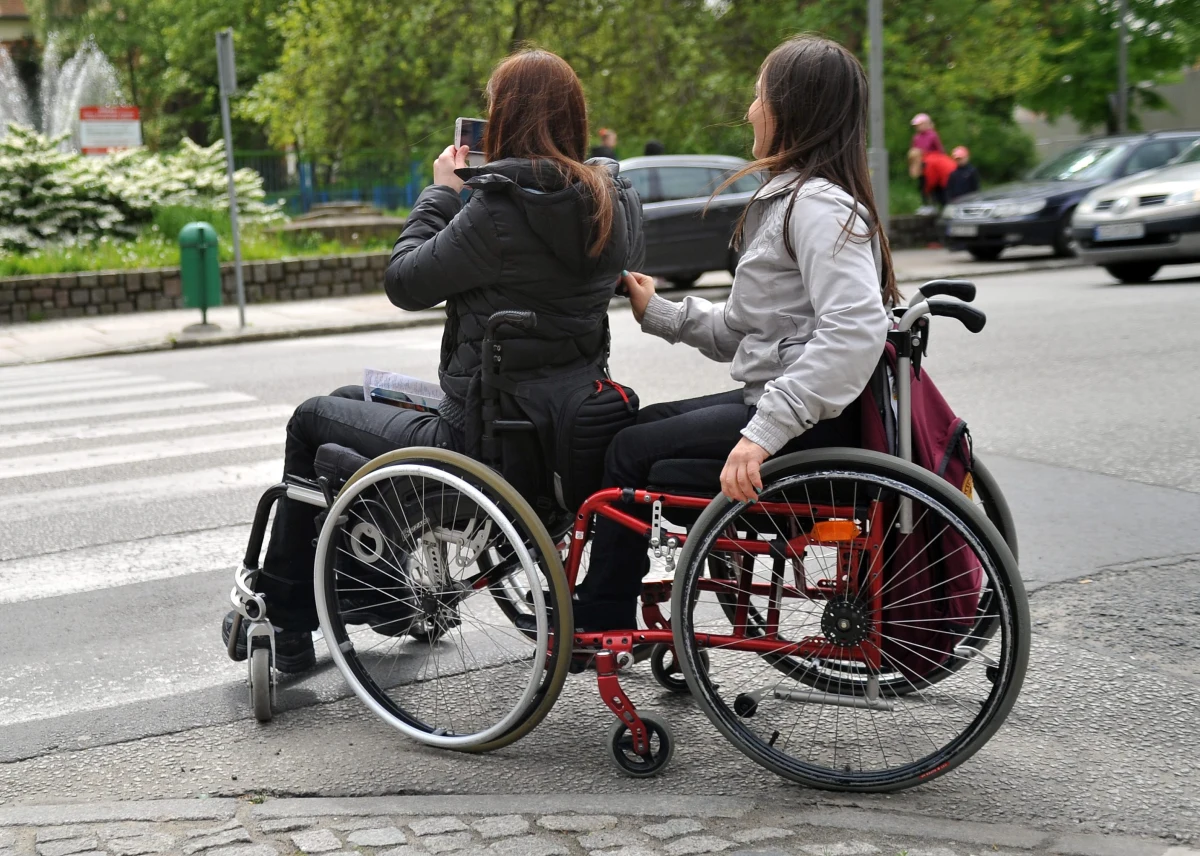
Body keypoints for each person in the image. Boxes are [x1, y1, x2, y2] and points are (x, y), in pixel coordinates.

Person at [222, 48, 645, 671]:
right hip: (561, 435)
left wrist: (442, 191)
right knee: (351, 399)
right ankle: (374, 585)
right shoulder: (613, 203)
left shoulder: (497, 209)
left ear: (504, 119)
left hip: (478, 441)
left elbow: (404, 281)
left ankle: (288, 617)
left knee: (312, 419)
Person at [568, 34, 900, 631]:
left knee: (627, 451)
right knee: (633, 428)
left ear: (790, 110)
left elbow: (854, 331)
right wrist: (657, 311)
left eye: (758, 96)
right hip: (793, 406)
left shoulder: (817, 207)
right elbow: (742, 331)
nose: (750, 111)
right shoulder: (794, 200)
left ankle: (599, 619)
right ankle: (613, 603)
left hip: (807, 426)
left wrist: (761, 436)